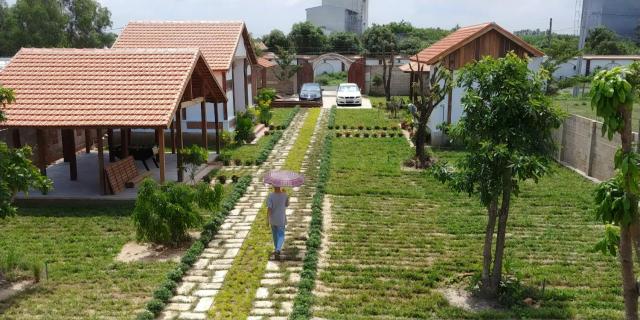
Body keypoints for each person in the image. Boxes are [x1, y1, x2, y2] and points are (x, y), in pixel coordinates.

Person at [267, 186, 289, 260]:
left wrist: (267, 219)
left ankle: (276, 249)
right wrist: (286, 195)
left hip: (273, 219)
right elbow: (287, 204)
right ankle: (278, 249)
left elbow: (269, 208)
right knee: (281, 235)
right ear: (280, 186)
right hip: (281, 218)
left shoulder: (270, 196)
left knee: (275, 235)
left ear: (273, 186)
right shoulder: (284, 195)